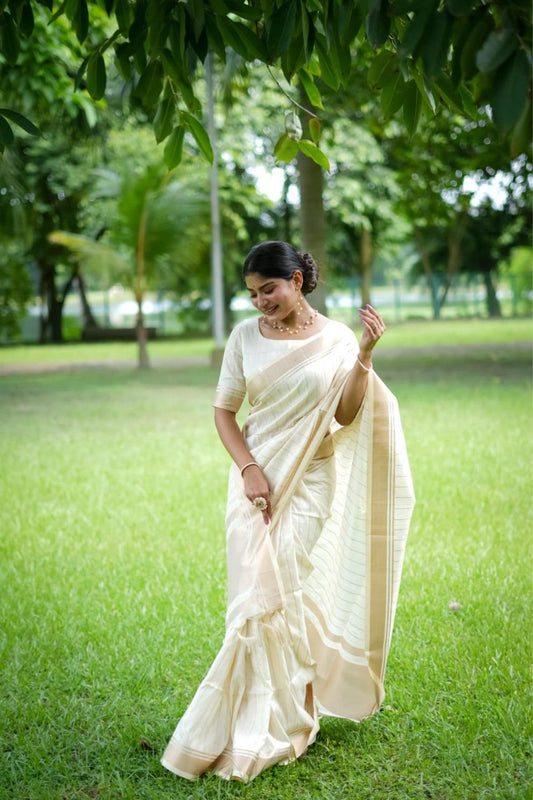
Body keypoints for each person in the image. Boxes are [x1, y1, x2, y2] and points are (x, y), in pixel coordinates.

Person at [161, 241, 415, 782]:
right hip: (254, 480)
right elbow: (225, 412)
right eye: (252, 294)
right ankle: (272, 714)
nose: (260, 303)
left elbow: (345, 414)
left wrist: (365, 356)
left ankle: (285, 719)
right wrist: (250, 469)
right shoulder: (243, 338)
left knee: (281, 589)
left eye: (268, 289)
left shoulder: (338, 340)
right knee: (252, 598)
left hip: (311, 478)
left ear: (298, 280)